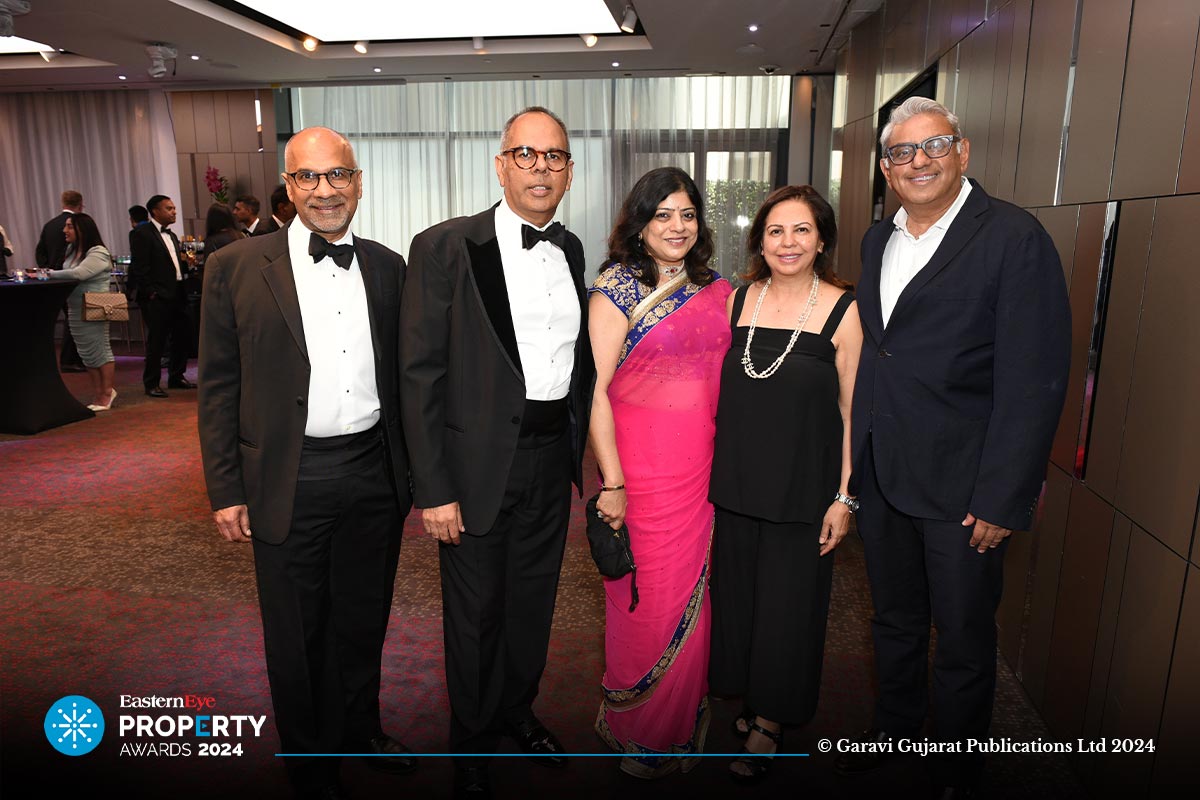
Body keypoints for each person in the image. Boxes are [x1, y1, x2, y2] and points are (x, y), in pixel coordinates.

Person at [835, 97, 1070, 797]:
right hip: (886, 473)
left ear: (962, 152)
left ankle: (957, 766)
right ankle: (895, 729)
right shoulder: (878, 240)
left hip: (966, 488)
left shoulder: (1014, 237)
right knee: (894, 619)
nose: (919, 161)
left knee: (964, 637)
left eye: (934, 145)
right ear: (885, 168)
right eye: (902, 152)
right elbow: (883, 353)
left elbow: (1035, 380)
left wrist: (1004, 497)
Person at [198, 126, 416, 799]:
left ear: (358, 182)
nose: (326, 190)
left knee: (363, 615)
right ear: (289, 187)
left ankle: (361, 725)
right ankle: (311, 760)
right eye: (309, 177)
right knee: (296, 630)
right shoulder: (235, 267)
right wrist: (225, 488)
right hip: (286, 475)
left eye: (338, 174)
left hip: (374, 472)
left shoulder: (388, 266)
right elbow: (219, 386)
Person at [400, 106, 594, 800]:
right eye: (526, 155)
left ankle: (517, 710)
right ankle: (473, 736)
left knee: (533, 603)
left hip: (550, 459)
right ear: (500, 165)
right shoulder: (445, 246)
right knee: (476, 614)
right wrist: (434, 488)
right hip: (475, 468)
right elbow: (419, 373)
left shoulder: (572, 249)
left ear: (569, 171)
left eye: (554, 156)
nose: (541, 168)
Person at [708, 185, 861, 784]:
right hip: (736, 485)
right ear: (759, 241)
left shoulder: (846, 310)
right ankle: (750, 697)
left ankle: (771, 720)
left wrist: (845, 497)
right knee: (741, 604)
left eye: (801, 230)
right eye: (775, 231)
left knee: (788, 610)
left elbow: (853, 414)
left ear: (821, 240)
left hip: (803, 490)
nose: (788, 242)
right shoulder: (737, 300)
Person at [587, 166, 731, 779]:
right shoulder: (616, 288)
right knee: (642, 601)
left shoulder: (717, 288)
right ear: (639, 223)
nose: (677, 227)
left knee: (693, 600)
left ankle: (677, 724)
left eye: (687, 215)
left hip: (702, 472)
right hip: (638, 476)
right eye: (662, 215)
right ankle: (638, 727)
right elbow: (594, 393)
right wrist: (613, 483)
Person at [49, 213, 117, 410]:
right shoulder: (71, 250)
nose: (65, 230)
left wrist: (47, 274)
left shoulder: (98, 252)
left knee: (100, 350)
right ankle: (99, 393)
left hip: (95, 306)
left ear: (82, 229)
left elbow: (79, 273)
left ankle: (107, 392)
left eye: (69, 226)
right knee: (86, 353)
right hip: (76, 307)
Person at [129, 194, 194, 397]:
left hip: (178, 293)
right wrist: (151, 292)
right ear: (155, 211)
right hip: (158, 296)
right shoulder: (142, 234)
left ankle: (176, 376)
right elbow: (140, 267)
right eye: (169, 208)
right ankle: (152, 383)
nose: (174, 212)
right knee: (157, 341)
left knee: (182, 336)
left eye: (174, 208)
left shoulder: (172, 235)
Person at [35, 189, 85, 371]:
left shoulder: (49, 225)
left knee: (61, 319)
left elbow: (40, 251)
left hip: (52, 280)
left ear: (63, 203)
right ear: (80, 204)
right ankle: (70, 360)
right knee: (76, 318)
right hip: (71, 278)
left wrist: (48, 270)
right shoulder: (79, 224)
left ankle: (65, 360)